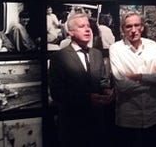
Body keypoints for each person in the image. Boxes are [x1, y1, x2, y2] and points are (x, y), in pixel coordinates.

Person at [49, 13, 114, 147]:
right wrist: (87, 98)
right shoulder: (59, 57)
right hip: (73, 125)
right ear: (70, 32)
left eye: (88, 26)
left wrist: (106, 90)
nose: (87, 29)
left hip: (97, 124)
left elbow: (103, 80)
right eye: (81, 26)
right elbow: (57, 93)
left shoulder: (96, 54)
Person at [109, 11, 156, 147]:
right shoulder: (116, 49)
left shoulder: (152, 46)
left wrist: (139, 77)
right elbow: (122, 85)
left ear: (142, 27)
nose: (133, 30)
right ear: (123, 29)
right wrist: (153, 79)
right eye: (128, 26)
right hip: (128, 118)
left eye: (137, 25)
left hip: (152, 116)